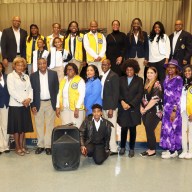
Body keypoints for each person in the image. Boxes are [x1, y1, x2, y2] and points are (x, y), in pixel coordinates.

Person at [30, 58, 59, 155]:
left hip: (50, 103)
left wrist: (57, 104)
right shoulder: (33, 76)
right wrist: (32, 105)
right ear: (37, 65)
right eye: (40, 64)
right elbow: (31, 91)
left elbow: (57, 89)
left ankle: (48, 146)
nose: (42, 65)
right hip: (38, 103)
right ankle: (40, 145)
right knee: (39, 125)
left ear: (46, 64)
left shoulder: (53, 74)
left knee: (50, 125)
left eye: (44, 63)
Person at [7, 57, 33, 156]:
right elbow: (12, 91)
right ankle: (17, 147)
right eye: (18, 65)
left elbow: (30, 89)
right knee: (16, 128)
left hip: (25, 105)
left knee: (23, 127)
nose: (20, 67)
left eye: (22, 65)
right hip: (15, 105)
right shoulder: (10, 76)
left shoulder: (26, 76)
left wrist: (29, 99)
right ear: (14, 66)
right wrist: (23, 100)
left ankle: (22, 146)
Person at [118, 59, 143, 157]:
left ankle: (132, 149)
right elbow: (118, 93)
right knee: (123, 129)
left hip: (133, 109)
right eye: (127, 70)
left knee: (133, 129)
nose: (129, 72)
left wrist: (130, 104)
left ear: (135, 70)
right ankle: (123, 147)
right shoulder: (121, 79)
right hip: (123, 108)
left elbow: (139, 94)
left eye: (131, 70)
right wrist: (122, 102)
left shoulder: (139, 80)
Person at [160, 59, 183, 159]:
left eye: (173, 67)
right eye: (169, 67)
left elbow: (178, 96)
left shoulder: (178, 79)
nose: (170, 69)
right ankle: (169, 149)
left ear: (176, 69)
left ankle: (174, 151)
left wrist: (174, 111)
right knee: (167, 129)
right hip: (166, 107)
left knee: (173, 128)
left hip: (174, 108)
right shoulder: (166, 78)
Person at [140, 67, 163, 157]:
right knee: (148, 129)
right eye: (148, 72)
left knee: (149, 128)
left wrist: (145, 109)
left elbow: (154, 99)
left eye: (151, 73)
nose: (149, 74)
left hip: (155, 111)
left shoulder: (157, 84)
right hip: (146, 110)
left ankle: (152, 150)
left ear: (155, 74)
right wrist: (141, 108)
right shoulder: (146, 83)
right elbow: (142, 98)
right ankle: (150, 148)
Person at [56, 63, 85, 128]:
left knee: (76, 128)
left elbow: (82, 95)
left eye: (71, 70)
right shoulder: (63, 81)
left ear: (75, 70)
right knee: (66, 128)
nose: (69, 71)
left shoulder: (80, 80)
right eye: (67, 70)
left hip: (76, 109)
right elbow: (59, 94)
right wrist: (57, 106)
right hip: (65, 109)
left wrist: (77, 108)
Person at [101, 59, 119, 155]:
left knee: (112, 128)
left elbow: (116, 94)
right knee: (106, 129)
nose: (104, 66)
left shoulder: (114, 76)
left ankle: (114, 149)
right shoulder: (102, 76)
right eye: (103, 64)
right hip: (103, 106)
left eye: (106, 64)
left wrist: (112, 108)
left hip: (110, 107)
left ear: (110, 65)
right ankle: (107, 147)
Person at [148, 21, 170, 85]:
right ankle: (152, 93)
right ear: (153, 29)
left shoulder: (165, 36)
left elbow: (168, 48)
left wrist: (167, 59)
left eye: (158, 27)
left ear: (161, 28)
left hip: (161, 59)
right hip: (152, 60)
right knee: (152, 77)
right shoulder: (150, 37)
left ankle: (162, 93)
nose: (157, 28)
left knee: (162, 77)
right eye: (155, 27)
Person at [179, 65, 192, 159]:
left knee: (191, 132)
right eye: (185, 71)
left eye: (189, 71)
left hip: (191, 112)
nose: (187, 72)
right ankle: (184, 150)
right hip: (183, 111)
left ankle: (191, 151)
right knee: (183, 131)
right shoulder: (182, 83)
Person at [0, 62, 10, 154]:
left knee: (5, 126)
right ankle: (0, 146)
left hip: (6, 104)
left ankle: (6, 146)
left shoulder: (7, 77)